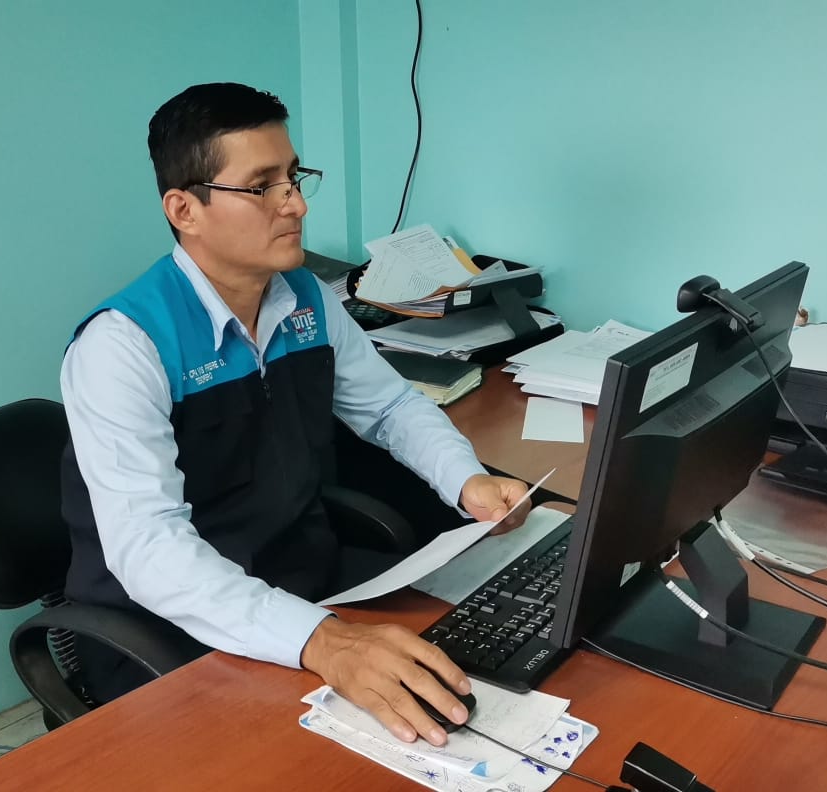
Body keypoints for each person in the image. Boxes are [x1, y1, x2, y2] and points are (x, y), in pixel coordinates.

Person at [60, 82, 530, 747]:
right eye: (262, 187)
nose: (297, 204)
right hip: (166, 632)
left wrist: (467, 480)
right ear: (185, 209)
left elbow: (391, 406)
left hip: (305, 584)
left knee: (487, 666)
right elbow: (150, 550)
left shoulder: (306, 298)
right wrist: (322, 642)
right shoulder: (123, 344)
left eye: (293, 177)